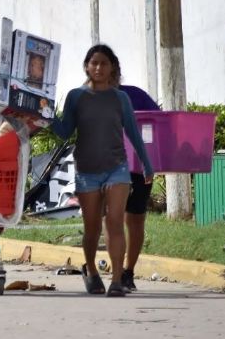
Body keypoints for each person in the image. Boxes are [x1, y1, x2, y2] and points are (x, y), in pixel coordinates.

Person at [50, 44, 153, 297]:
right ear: (86, 66)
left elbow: (132, 132)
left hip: (117, 169)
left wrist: (147, 163)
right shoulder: (76, 96)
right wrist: (46, 114)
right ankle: (93, 272)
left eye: (104, 63)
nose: (98, 68)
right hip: (87, 171)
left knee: (116, 223)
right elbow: (64, 131)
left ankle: (117, 280)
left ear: (112, 68)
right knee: (93, 227)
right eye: (94, 63)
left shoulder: (121, 98)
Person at [115, 80, 160, 292]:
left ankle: (127, 272)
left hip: (138, 169)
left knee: (134, 219)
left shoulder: (135, 95)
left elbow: (159, 124)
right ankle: (118, 271)